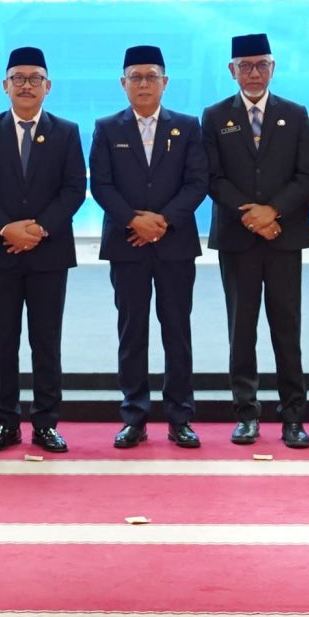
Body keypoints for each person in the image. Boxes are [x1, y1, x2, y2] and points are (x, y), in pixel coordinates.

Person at [0, 46, 88, 454]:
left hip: (48, 252)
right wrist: (6, 228)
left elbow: (74, 188)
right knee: (3, 341)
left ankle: (46, 423)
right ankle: (6, 422)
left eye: (35, 78)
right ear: (5, 85)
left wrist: (39, 228)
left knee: (46, 340)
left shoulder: (66, 131)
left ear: (48, 86)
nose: (27, 85)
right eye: (19, 78)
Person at [202, 33, 309, 448]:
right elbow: (213, 178)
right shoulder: (215, 116)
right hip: (238, 239)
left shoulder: (295, 113)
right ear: (232, 70)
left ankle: (293, 418)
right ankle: (246, 415)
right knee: (242, 330)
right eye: (245, 66)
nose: (254, 73)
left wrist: (273, 212)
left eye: (261, 65)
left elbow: (307, 176)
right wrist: (251, 216)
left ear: (273, 68)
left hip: (283, 236)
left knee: (287, 329)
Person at [90, 44, 208, 450]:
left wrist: (162, 223)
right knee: (132, 332)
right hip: (127, 244)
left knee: (177, 330)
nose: (143, 84)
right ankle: (134, 417)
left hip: (175, 244)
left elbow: (197, 182)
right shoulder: (107, 127)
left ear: (165, 82)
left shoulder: (187, 126)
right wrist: (133, 220)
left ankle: (180, 417)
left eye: (151, 77)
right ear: (123, 83)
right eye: (135, 77)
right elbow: (101, 184)